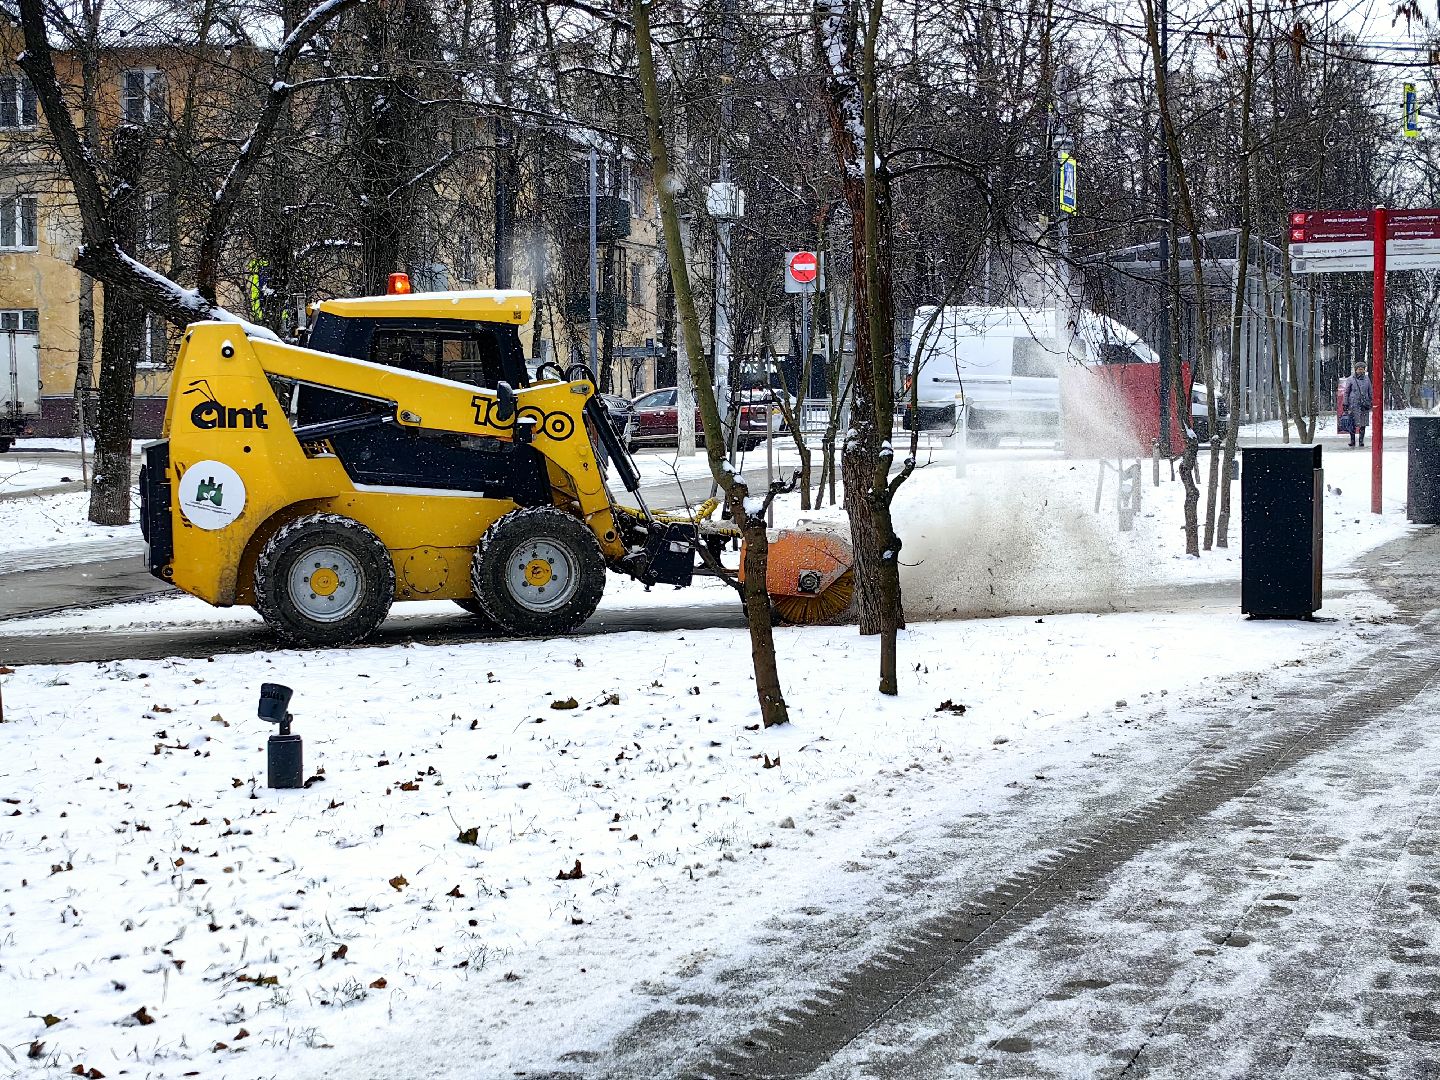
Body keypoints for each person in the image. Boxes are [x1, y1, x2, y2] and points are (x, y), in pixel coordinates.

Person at [1343, 361, 1374, 448]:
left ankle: (1361, 441)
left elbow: (1370, 391)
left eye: (1362, 369)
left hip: (1364, 404)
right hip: (1353, 405)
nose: (1360, 371)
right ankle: (1352, 440)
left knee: (1363, 424)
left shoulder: (1367, 379)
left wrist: (1371, 401)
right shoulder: (1350, 379)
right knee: (1352, 423)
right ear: (1356, 370)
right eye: (1359, 369)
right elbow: (1346, 392)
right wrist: (1345, 403)